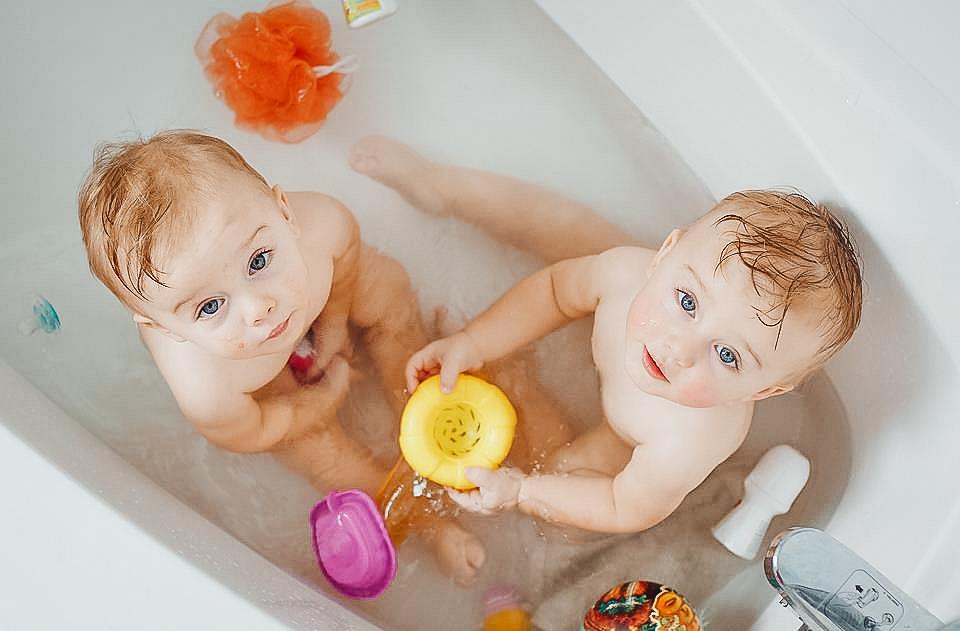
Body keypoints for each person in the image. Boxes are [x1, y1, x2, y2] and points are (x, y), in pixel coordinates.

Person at [349, 136, 863, 534]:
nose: (678, 348)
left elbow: (623, 506)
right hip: (622, 296)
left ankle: (524, 391)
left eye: (727, 355)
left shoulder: (686, 441)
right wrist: (476, 342)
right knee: (559, 225)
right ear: (664, 253)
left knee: (565, 469)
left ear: (763, 391)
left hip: (621, 437)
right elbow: (554, 293)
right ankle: (441, 185)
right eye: (687, 302)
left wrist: (521, 491)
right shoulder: (628, 275)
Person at [77, 130, 485, 584]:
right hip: (261, 381)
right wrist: (319, 403)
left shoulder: (319, 226)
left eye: (258, 261)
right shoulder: (206, 387)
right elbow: (251, 431)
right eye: (210, 306)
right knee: (314, 450)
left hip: (317, 297)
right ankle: (429, 524)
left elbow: (346, 259)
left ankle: (421, 399)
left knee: (386, 287)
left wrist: (334, 316)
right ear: (164, 328)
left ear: (284, 212)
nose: (259, 309)